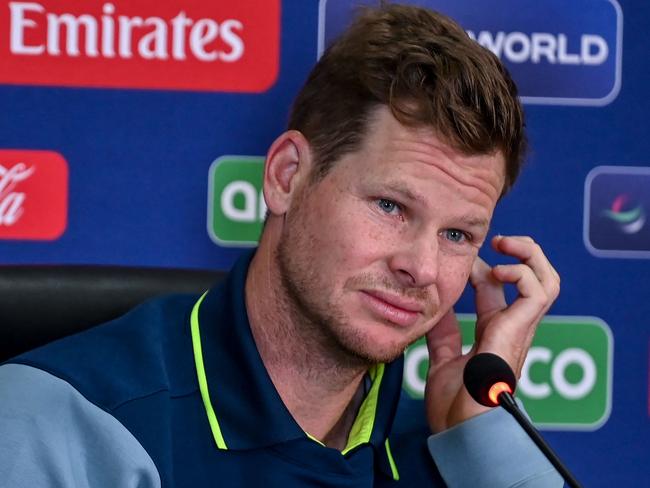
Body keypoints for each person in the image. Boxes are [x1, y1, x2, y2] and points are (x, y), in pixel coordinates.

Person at [0, 5, 563, 487]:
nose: (420, 266)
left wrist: (484, 439)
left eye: (457, 235)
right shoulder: (60, 423)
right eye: (390, 207)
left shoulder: (453, 449)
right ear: (287, 176)